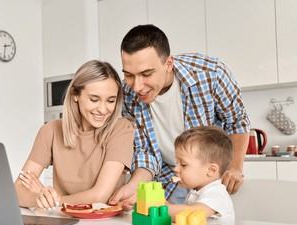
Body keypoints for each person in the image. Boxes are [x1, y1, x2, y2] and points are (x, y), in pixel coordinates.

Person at [109, 24, 250, 208]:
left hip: (211, 179)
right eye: (129, 75)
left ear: (168, 63)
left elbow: (237, 121)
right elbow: (145, 152)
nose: (137, 86)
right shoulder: (126, 94)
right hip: (169, 178)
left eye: (146, 74)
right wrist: (135, 186)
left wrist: (235, 167)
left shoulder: (211, 74)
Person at [15, 60, 135, 209]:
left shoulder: (121, 129)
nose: (103, 110)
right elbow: (18, 189)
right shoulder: (49, 131)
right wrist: (39, 198)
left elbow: (99, 196)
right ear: (75, 94)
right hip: (64, 222)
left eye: (111, 101)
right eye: (94, 99)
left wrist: (55, 201)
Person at [166, 125, 235, 221]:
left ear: (211, 170)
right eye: (177, 163)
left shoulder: (216, 194)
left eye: (183, 164)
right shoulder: (195, 192)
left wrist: (161, 207)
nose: (176, 169)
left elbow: (191, 214)